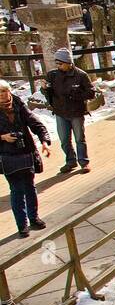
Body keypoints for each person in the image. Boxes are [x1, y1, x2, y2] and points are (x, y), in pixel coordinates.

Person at [0, 80, 52, 238]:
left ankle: (34, 218)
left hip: (26, 152)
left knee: (30, 187)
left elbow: (34, 123)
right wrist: (2, 137)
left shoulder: (18, 104)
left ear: (9, 92)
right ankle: (22, 225)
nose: (2, 96)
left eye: (4, 92)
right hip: (7, 156)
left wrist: (44, 140)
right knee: (16, 190)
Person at [41, 47, 93, 174]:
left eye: (61, 63)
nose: (58, 66)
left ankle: (84, 162)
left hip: (76, 112)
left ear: (68, 63)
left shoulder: (81, 75)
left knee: (79, 139)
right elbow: (47, 92)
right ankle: (70, 161)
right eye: (57, 63)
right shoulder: (52, 75)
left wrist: (76, 95)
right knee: (64, 140)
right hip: (60, 112)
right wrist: (44, 89)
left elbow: (90, 92)